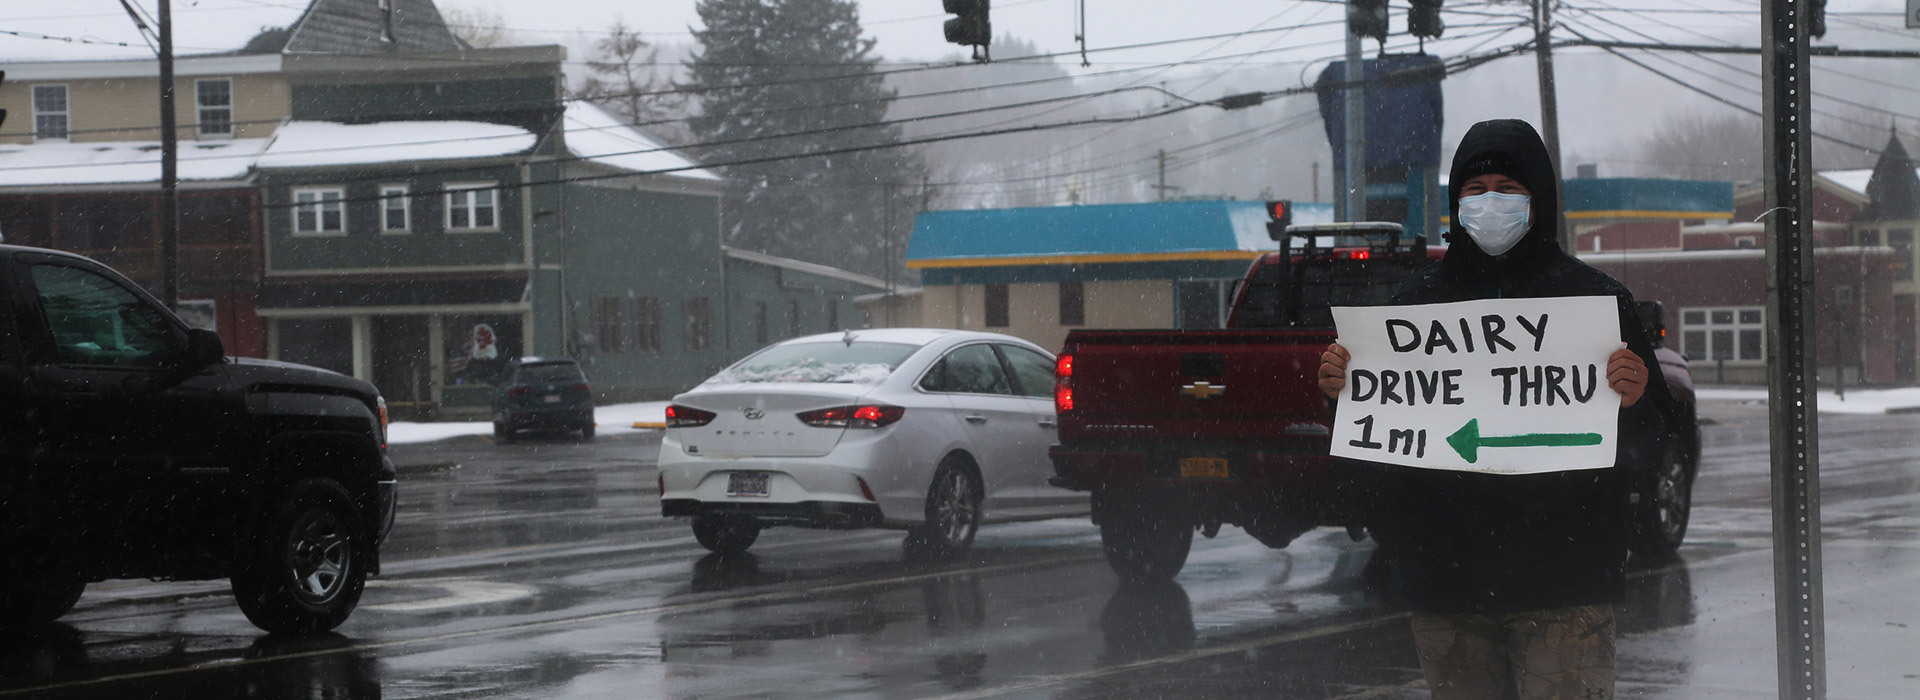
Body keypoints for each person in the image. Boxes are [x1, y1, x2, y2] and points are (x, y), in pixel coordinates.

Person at [1317, 119, 1670, 700]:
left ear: (1540, 198)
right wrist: (1341, 395)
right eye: (1475, 190)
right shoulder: (1415, 307)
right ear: (1454, 201)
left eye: (1507, 187)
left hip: (1566, 588)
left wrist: (1633, 403)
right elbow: (1375, 449)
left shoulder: (1597, 303)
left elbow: (1647, 447)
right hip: (1448, 591)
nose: (1490, 202)